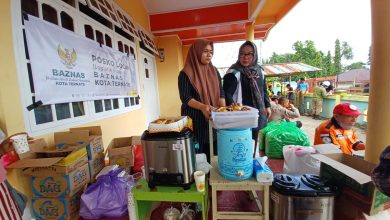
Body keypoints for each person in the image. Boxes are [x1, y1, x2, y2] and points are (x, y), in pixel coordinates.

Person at [178, 39, 225, 162]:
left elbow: (221, 93)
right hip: (195, 120)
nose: (209, 54)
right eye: (205, 51)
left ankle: (211, 178)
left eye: (211, 51)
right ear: (196, 52)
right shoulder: (185, 73)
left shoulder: (214, 71)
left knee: (213, 153)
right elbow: (185, 97)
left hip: (212, 118)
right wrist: (203, 107)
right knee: (197, 154)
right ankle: (199, 178)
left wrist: (223, 110)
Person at [223, 41, 271, 151]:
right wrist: (233, 105)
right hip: (241, 115)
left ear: (255, 55)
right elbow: (226, 93)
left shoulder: (259, 71)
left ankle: (252, 159)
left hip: (258, 112)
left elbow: (263, 89)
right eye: (242, 54)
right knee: (242, 142)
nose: (245, 57)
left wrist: (267, 105)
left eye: (249, 54)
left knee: (255, 140)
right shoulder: (233, 72)